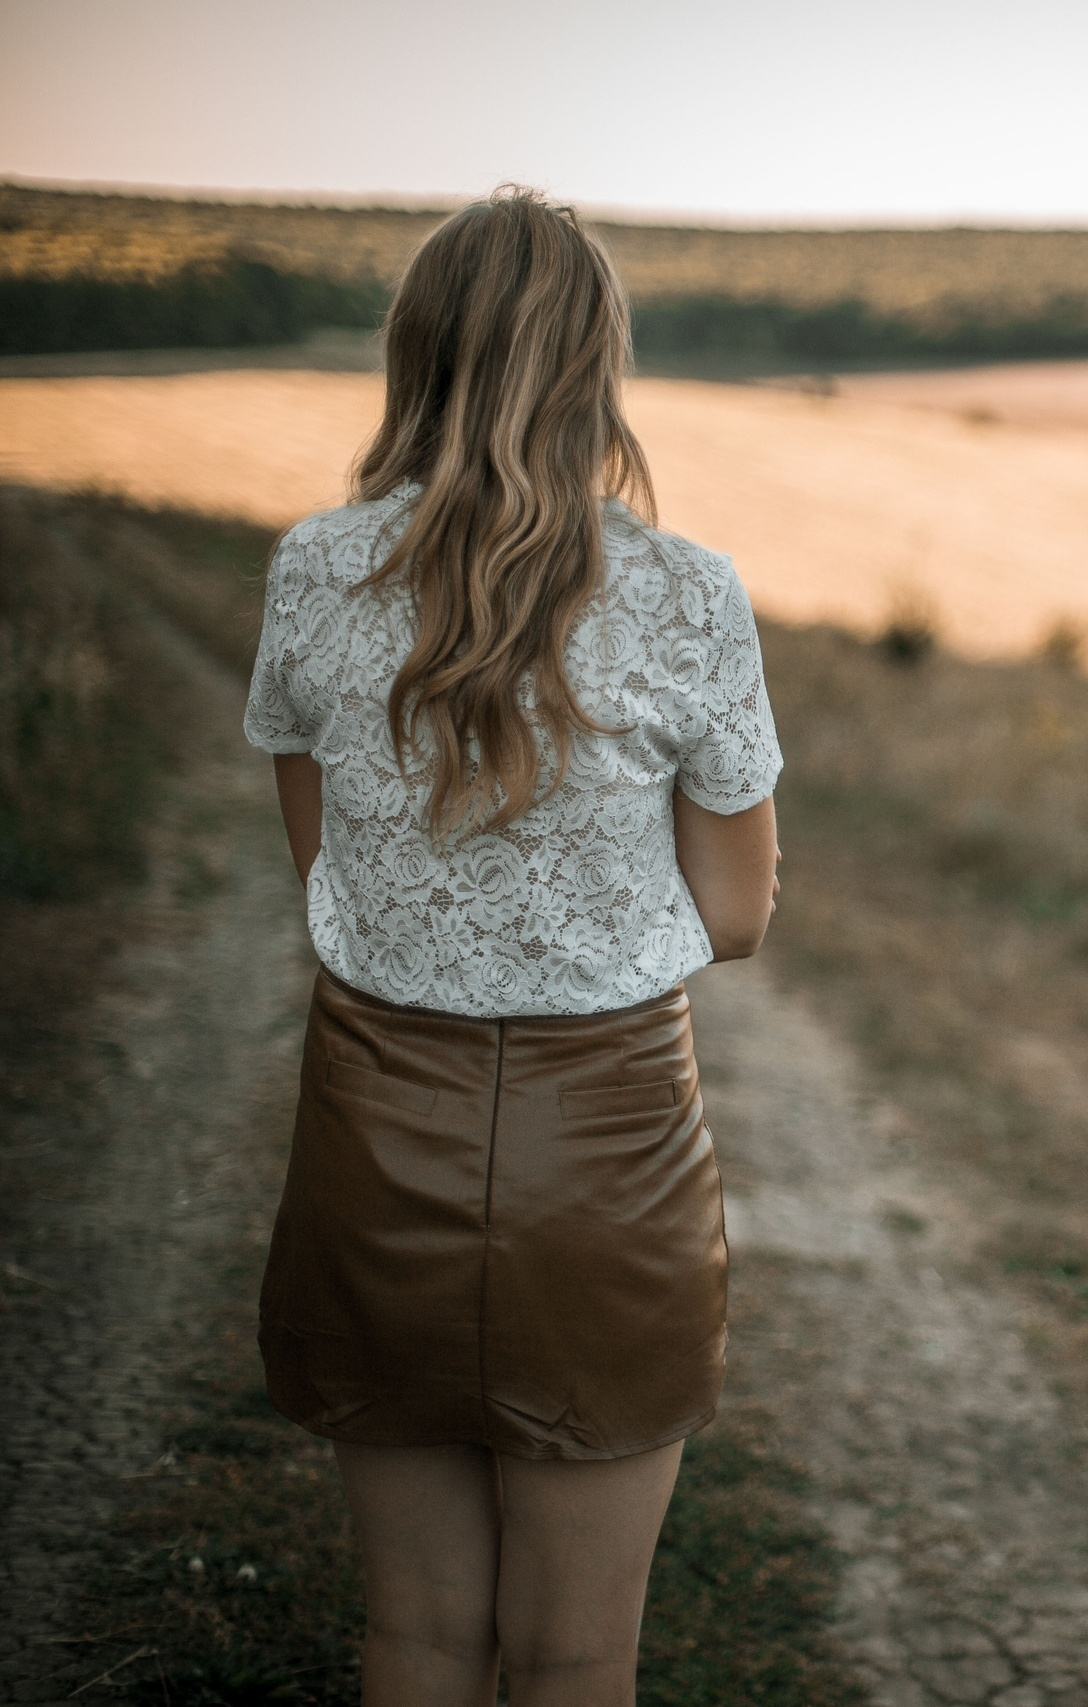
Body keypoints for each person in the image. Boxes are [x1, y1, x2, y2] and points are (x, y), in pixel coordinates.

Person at [242, 187, 783, 1707]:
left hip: (369, 1128)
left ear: (412, 358)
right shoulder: (689, 592)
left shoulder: (314, 568)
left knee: (415, 1641)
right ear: (598, 368)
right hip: (611, 1156)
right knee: (573, 1656)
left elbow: (327, 867)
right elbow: (736, 915)